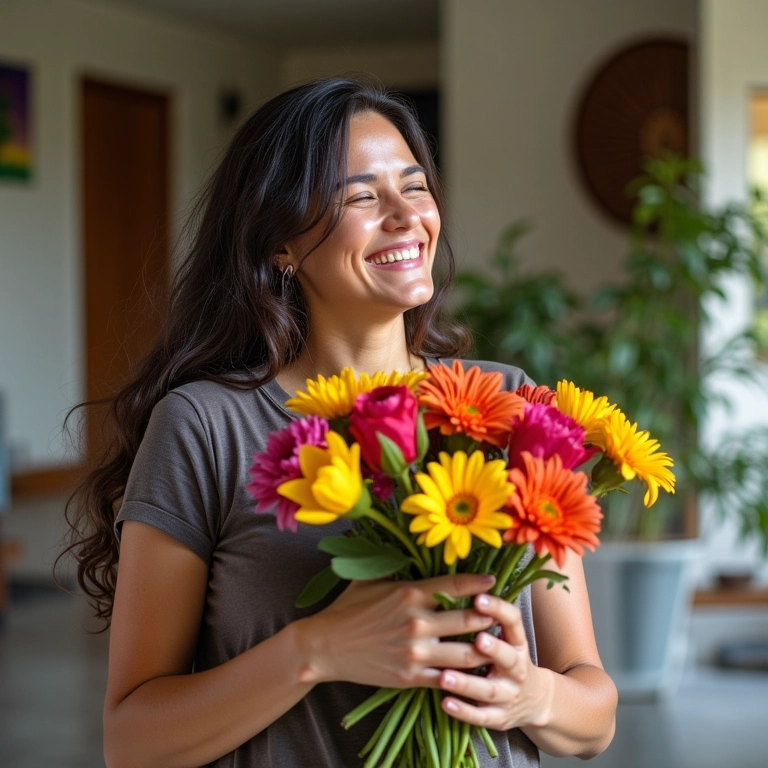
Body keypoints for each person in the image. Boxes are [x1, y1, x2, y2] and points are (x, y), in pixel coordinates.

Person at [64, 77, 618, 767]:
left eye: (415, 187)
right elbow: (132, 742)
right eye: (360, 196)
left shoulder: (510, 404)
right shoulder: (204, 426)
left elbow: (594, 717)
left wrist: (531, 697)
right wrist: (318, 649)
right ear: (280, 245)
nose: (406, 216)